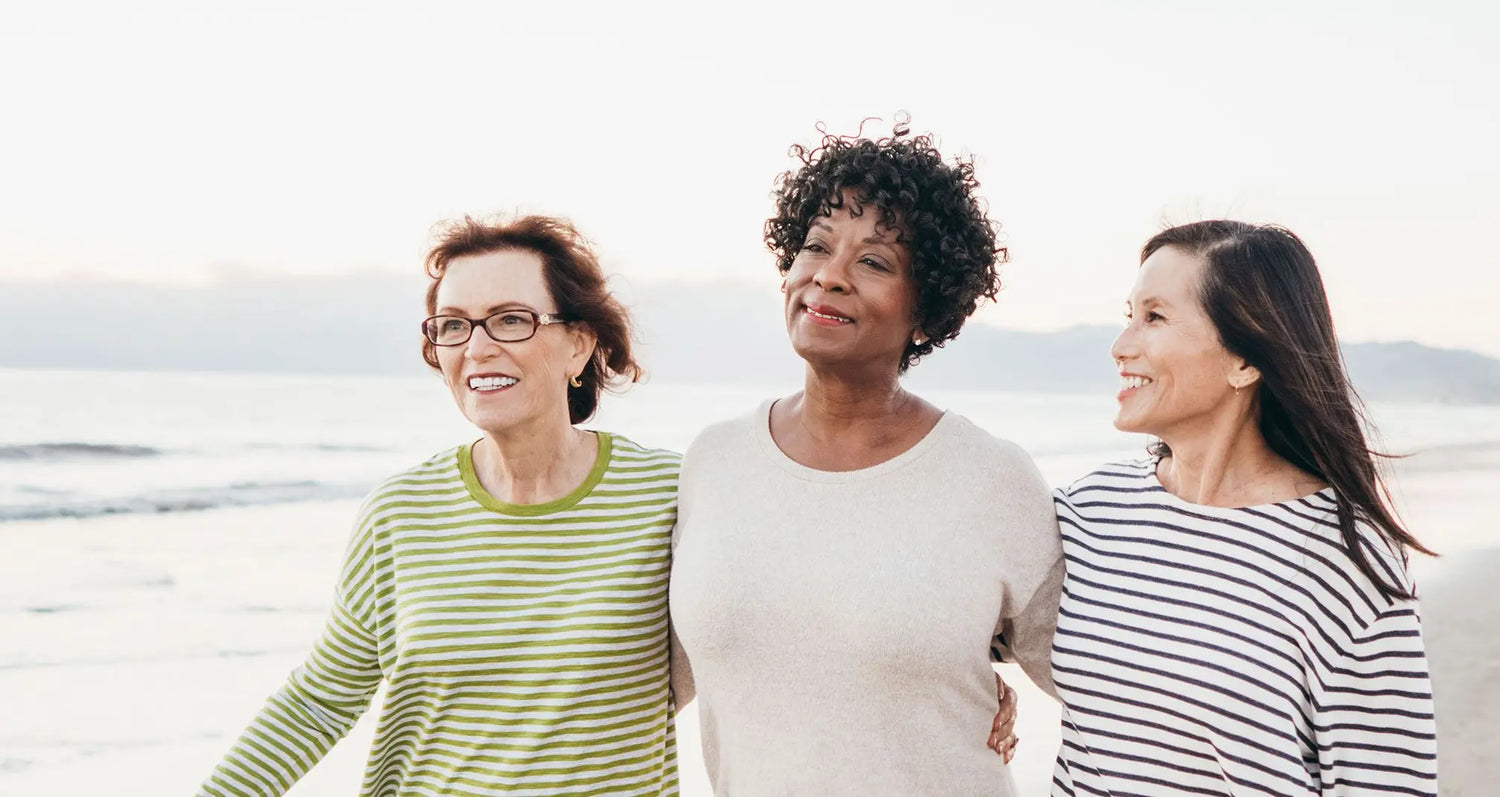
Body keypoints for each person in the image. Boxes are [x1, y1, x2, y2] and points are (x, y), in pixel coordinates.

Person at [197, 216, 685, 796]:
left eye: (511, 320)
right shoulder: (401, 513)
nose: (478, 348)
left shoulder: (671, 496)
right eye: (452, 326)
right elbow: (319, 703)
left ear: (579, 344)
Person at [668, 121, 1065, 795]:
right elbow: (654, 676)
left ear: (927, 312)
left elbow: (1102, 678)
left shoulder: (991, 478)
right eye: (816, 246)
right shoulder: (713, 461)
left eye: (874, 262)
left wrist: (954, 671)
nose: (829, 275)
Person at [1049, 220, 1439, 796]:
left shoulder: (1347, 560)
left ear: (1245, 359)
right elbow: (944, 630)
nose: (1121, 345)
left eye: (1154, 317)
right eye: (1127, 315)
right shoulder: (1088, 511)